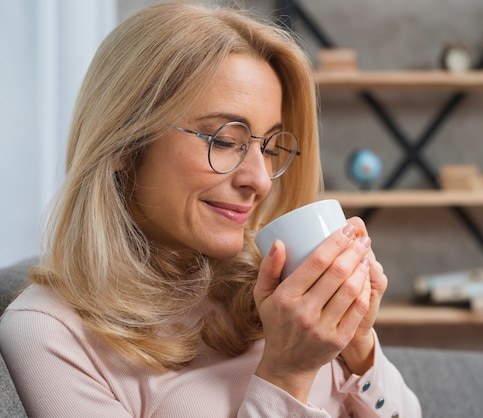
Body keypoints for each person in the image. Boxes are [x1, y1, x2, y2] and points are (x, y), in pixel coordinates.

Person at [0, 1, 421, 416]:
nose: (258, 180)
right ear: (123, 144)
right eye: (223, 140)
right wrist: (287, 375)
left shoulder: (275, 289)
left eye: (270, 147)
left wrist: (358, 346)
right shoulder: (49, 331)